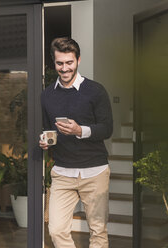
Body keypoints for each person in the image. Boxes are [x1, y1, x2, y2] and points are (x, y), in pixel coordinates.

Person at [39, 37, 113, 248]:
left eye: (69, 62)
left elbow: (107, 129)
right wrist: (46, 141)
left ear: (78, 60)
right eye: (60, 63)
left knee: (98, 231)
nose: (64, 68)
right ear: (54, 63)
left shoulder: (96, 91)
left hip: (95, 172)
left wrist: (79, 130)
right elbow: (48, 129)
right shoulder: (47, 96)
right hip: (62, 173)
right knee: (56, 230)